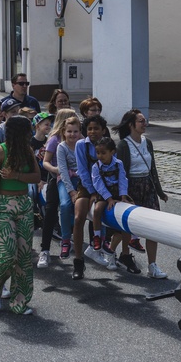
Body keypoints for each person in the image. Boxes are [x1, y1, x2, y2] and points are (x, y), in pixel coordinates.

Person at [0, 116, 42, 314]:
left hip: (24, 204)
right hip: (3, 205)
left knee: (24, 256)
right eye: (29, 130)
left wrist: (16, 176)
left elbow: (36, 177)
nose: (32, 133)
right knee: (8, 254)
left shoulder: (27, 152)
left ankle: (20, 302)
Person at [114, 109, 169, 279]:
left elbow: (153, 170)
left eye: (145, 121)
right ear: (131, 125)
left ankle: (152, 265)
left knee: (153, 226)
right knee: (125, 225)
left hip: (148, 187)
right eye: (141, 121)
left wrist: (159, 192)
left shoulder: (148, 142)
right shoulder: (123, 145)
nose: (144, 124)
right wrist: (121, 193)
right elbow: (120, 171)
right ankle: (111, 251)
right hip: (131, 187)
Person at [71, 114, 107, 279]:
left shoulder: (108, 144)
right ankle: (78, 261)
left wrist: (102, 192)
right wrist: (93, 192)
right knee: (79, 218)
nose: (93, 132)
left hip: (105, 186)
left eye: (96, 128)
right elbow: (83, 171)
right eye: (90, 128)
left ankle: (108, 250)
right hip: (86, 186)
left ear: (103, 130)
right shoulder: (81, 145)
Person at [91, 137, 132, 271]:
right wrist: (108, 199)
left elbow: (122, 179)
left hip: (117, 193)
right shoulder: (96, 166)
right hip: (104, 194)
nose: (100, 156)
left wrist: (123, 196)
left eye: (103, 153)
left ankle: (134, 239)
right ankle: (97, 237)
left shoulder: (118, 163)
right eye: (98, 153)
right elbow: (98, 184)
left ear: (112, 152)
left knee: (131, 208)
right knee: (97, 210)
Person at [53, 114, 83, 263]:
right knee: (65, 204)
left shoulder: (83, 144)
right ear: (64, 132)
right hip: (66, 180)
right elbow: (63, 171)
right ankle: (65, 239)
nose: (72, 134)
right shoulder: (62, 147)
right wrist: (71, 191)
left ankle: (100, 239)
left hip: (82, 180)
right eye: (69, 131)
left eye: (75, 131)